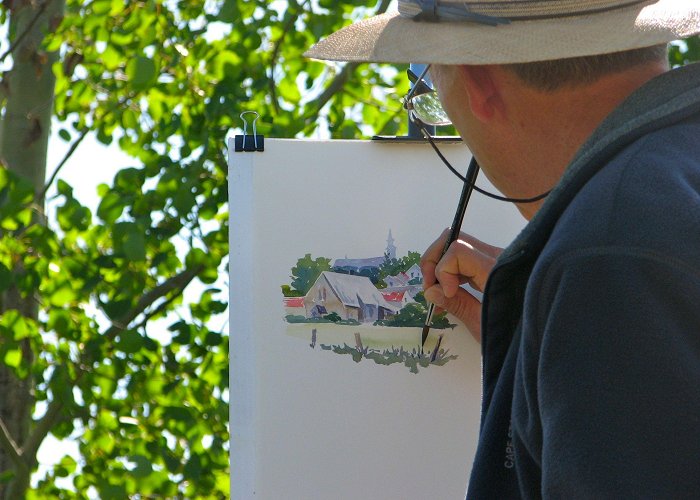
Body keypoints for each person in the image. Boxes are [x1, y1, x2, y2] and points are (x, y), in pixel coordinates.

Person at [306, 1, 700, 498]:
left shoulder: (607, 261)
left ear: (480, 84)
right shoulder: (649, 213)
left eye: (428, 81)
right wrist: (540, 321)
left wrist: (581, 293)